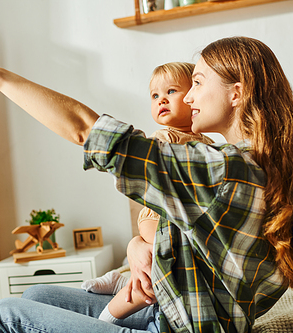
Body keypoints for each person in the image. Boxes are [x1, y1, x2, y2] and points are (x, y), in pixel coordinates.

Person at [0, 35, 293, 333]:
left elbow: (86, 130)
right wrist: (139, 244)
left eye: (197, 82)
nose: (189, 97)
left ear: (237, 92)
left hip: (180, 327)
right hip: (180, 310)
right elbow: (193, 245)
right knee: (37, 297)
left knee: (3, 315)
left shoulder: (224, 169)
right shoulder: (272, 172)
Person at [81, 62, 214, 325]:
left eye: (171, 91)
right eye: (155, 96)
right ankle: (104, 320)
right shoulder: (166, 136)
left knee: (162, 260)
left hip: (179, 216)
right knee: (162, 264)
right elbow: (146, 169)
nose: (161, 100)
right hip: (158, 214)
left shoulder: (208, 143)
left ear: (192, 97)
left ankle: (122, 277)